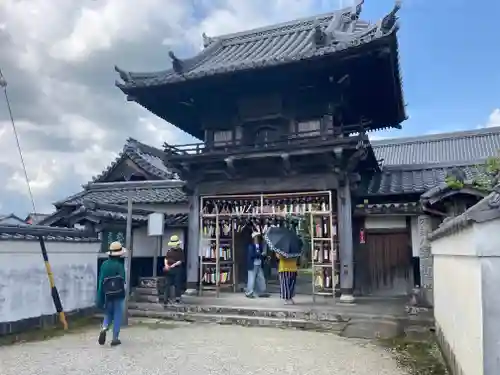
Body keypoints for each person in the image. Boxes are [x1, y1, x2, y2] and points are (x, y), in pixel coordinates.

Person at [96, 241, 127, 346]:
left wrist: (99, 297)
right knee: (117, 315)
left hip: (106, 294)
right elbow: (123, 280)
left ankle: (104, 328)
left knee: (108, 314)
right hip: (118, 294)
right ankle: (115, 338)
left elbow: (100, 281)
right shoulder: (119, 265)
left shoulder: (104, 265)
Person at [245, 231, 269, 298]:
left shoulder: (260, 246)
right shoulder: (251, 246)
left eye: (258, 237)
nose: (257, 239)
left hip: (259, 264)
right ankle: (249, 292)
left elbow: (261, 255)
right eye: (256, 237)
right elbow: (252, 255)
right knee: (251, 279)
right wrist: (260, 254)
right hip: (252, 264)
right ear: (253, 238)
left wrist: (264, 256)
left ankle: (262, 292)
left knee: (261, 278)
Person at [163, 234, 184, 305]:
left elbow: (180, 261)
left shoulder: (178, 251)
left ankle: (175, 298)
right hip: (171, 269)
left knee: (176, 284)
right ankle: (167, 298)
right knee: (168, 284)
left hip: (175, 268)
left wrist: (171, 265)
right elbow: (166, 259)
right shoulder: (170, 251)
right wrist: (166, 265)